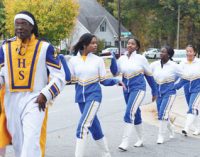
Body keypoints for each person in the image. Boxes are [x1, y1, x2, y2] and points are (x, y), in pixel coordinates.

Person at [0, 11, 65, 157]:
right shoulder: (5, 47)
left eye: (24, 24)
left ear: (31, 26)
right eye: (17, 24)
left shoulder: (45, 47)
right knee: (19, 144)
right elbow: (1, 75)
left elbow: (60, 77)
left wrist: (45, 94)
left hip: (35, 99)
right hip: (11, 101)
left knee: (30, 141)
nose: (20, 27)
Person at [67, 33, 125, 157]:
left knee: (83, 126)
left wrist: (115, 81)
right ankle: (106, 153)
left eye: (96, 43)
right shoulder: (73, 60)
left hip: (94, 96)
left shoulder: (98, 60)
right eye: (92, 43)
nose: (95, 45)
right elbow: (68, 79)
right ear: (84, 44)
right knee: (94, 126)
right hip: (80, 98)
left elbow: (103, 80)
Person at [110, 37, 157, 151]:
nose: (130, 45)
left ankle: (124, 142)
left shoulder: (141, 58)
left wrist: (154, 91)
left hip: (139, 88)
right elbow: (115, 72)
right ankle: (141, 139)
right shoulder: (121, 58)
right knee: (136, 113)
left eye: (133, 44)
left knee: (129, 112)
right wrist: (112, 60)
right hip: (126, 89)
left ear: (137, 47)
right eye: (129, 43)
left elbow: (149, 75)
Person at [150, 46, 182, 144]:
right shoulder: (154, 64)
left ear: (168, 55)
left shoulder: (174, 66)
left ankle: (161, 136)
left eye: (163, 52)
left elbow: (185, 76)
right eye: (161, 51)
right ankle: (171, 127)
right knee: (162, 114)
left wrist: (176, 86)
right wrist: (153, 91)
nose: (160, 53)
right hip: (159, 92)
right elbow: (149, 76)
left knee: (162, 114)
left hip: (169, 92)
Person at [175, 45, 200, 136]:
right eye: (187, 51)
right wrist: (173, 85)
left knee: (192, 108)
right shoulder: (182, 63)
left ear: (194, 53)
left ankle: (186, 128)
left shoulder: (198, 62)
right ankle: (198, 128)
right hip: (187, 89)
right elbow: (177, 75)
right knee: (194, 109)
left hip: (197, 88)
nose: (188, 53)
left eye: (190, 51)